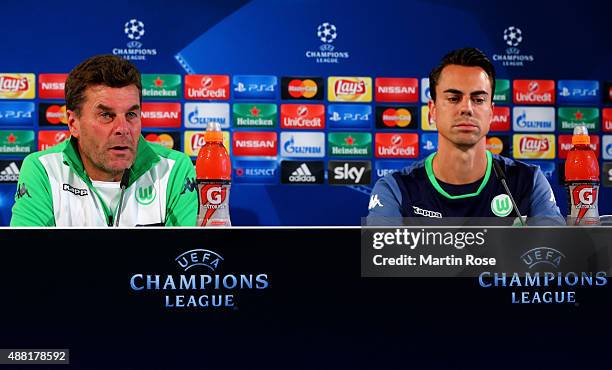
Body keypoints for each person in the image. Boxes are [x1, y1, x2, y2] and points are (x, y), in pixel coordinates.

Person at [367, 47, 564, 225]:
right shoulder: (395, 190)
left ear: (491, 112)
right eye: (454, 98)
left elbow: (558, 258)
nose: (467, 108)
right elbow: (383, 263)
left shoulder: (529, 182)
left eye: (478, 99)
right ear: (432, 110)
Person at [11, 55, 197, 226]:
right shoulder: (43, 169)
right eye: (106, 115)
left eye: (131, 114)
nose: (123, 129)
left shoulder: (174, 169)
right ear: (73, 123)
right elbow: (27, 258)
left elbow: (184, 258)